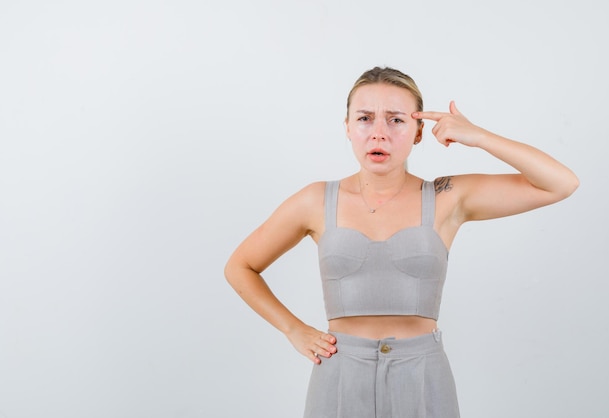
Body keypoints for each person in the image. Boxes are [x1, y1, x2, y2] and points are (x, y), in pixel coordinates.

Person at [224, 67, 579, 418]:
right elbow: (241, 266)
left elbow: (560, 183)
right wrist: (293, 329)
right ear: (347, 127)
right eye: (365, 118)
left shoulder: (445, 197)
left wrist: (478, 136)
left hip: (423, 374)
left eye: (395, 120)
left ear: (419, 132)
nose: (379, 133)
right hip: (339, 374)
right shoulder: (315, 200)